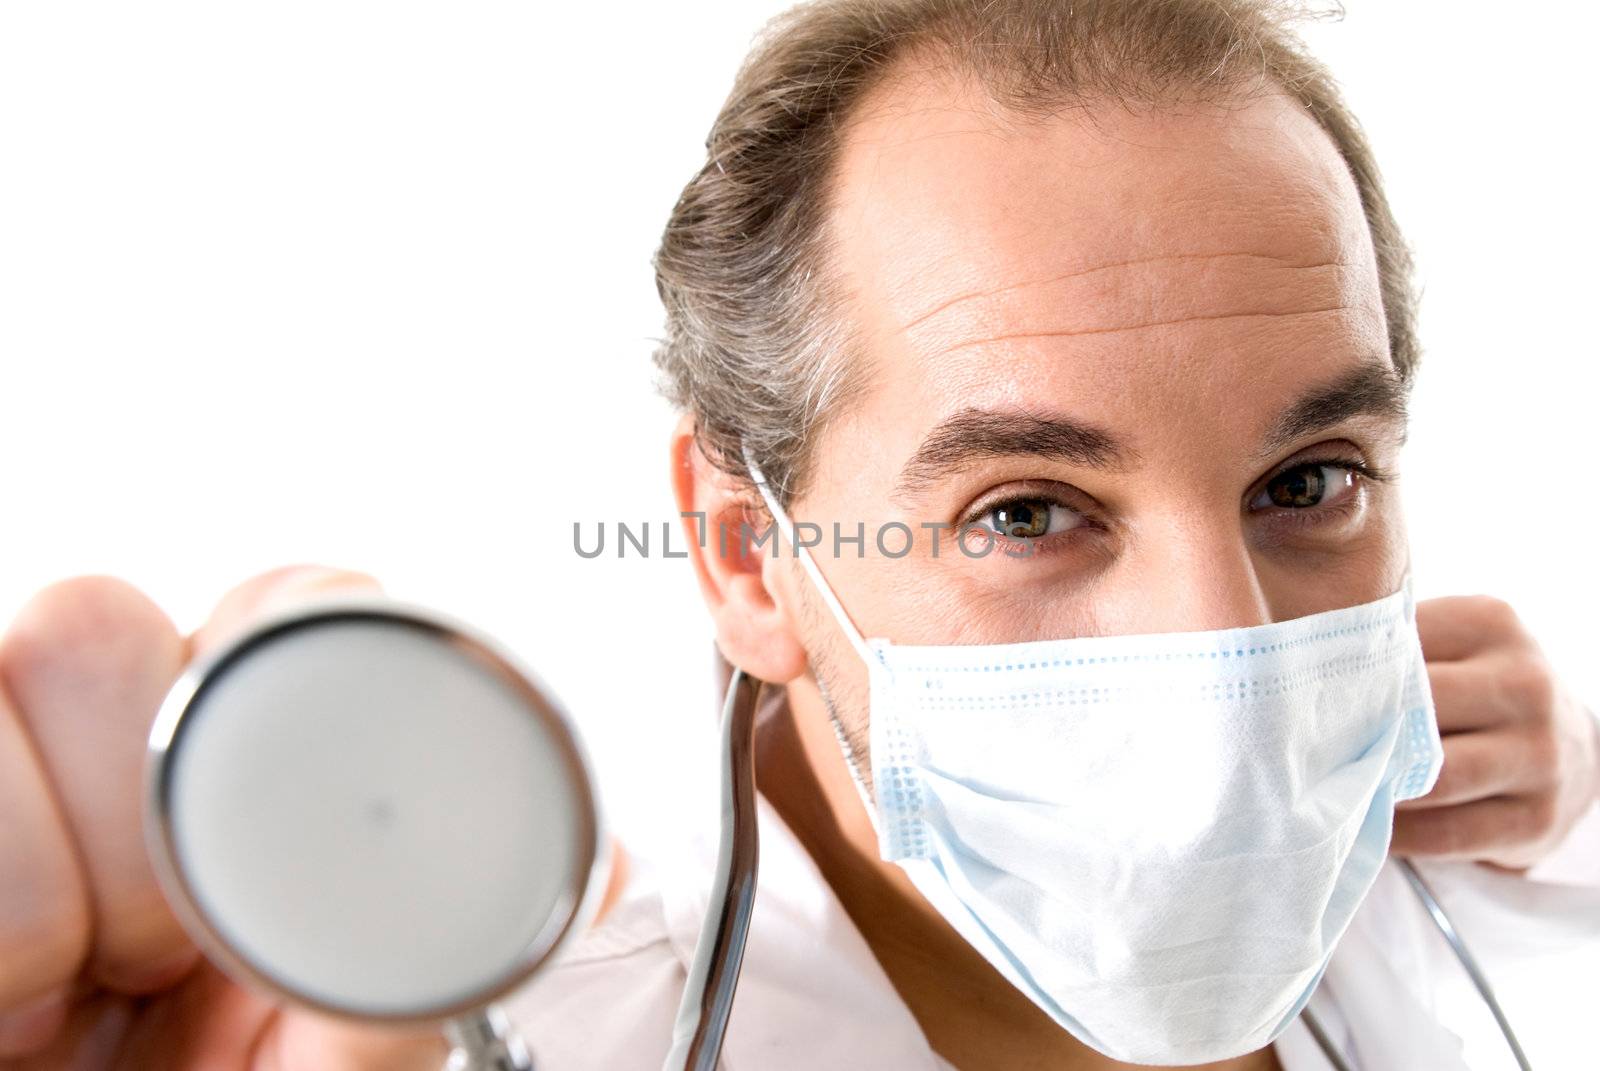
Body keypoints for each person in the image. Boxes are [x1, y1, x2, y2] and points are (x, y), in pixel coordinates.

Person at [1, 1, 1597, 1069]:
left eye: (1307, 482)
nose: (1230, 657)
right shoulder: (544, 1041)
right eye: (1025, 511)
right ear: (749, 558)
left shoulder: (1510, 887)